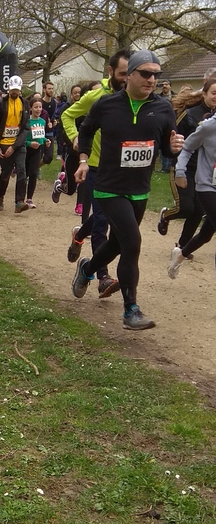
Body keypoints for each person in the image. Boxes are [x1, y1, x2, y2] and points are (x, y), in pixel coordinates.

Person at [72, 50, 184, 329]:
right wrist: (83, 160)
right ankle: (130, 309)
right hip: (109, 186)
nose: (151, 80)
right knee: (132, 242)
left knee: (118, 243)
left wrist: (174, 148)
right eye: (145, 73)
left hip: (140, 189)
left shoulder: (163, 108)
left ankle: (87, 268)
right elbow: (85, 130)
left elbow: (167, 147)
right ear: (130, 75)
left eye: (156, 75)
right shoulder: (106, 104)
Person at [61, 49, 131, 297]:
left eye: (131, 73)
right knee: (102, 221)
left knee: (106, 217)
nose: (127, 79)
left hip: (122, 169)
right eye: (123, 73)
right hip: (95, 166)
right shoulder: (96, 96)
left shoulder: (135, 97)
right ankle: (103, 276)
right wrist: (75, 137)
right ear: (111, 71)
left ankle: (79, 235)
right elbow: (68, 115)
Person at [158, 78, 216, 246]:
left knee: (198, 211)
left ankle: (182, 245)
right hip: (183, 167)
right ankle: (165, 215)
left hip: (203, 171)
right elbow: (173, 137)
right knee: (186, 208)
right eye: (214, 93)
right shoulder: (189, 114)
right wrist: (179, 167)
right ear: (204, 94)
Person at [168, 109, 216, 278]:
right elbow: (187, 148)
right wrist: (180, 171)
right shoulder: (209, 126)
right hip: (207, 186)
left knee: (206, 235)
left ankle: (180, 255)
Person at [0, 75, 30, 213]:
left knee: (22, 170)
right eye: (12, 89)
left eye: (17, 89)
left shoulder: (25, 104)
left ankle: (19, 202)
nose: (14, 92)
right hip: (3, 143)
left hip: (18, 144)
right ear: (8, 89)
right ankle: (0, 197)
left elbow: (26, 127)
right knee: (5, 174)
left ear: (20, 90)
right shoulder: (0, 104)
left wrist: (15, 146)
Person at [24, 97, 46, 209]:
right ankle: (19, 198)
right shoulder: (26, 121)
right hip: (25, 151)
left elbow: (41, 136)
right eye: (36, 107)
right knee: (24, 175)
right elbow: (21, 139)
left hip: (37, 151)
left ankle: (29, 199)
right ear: (31, 108)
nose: (38, 109)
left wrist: (46, 141)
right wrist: (29, 144)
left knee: (33, 174)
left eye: (40, 107)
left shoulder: (42, 121)